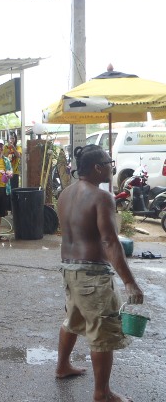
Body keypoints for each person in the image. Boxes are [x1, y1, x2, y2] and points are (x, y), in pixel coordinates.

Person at [56, 144, 144, 402]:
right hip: (92, 274)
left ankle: (62, 367)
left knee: (72, 320)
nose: (111, 166)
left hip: (70, 270)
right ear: (97, 167)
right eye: (109, 162)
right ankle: (102, 393)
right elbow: (109, 241)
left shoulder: (65, 194)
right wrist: (130, 282)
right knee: (102, 332)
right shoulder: (101, 197)